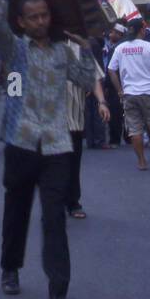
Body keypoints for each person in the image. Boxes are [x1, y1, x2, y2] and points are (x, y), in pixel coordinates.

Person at [0, 0, 102, 299]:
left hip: (56, 144)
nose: (41, 21)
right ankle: (10, 268)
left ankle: (57, 292)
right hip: (20, 143)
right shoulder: (15, 48)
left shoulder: (61, 51)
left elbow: (85, 82)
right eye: (33, 17)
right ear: (21, 21)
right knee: (17, 210)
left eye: (45, 15)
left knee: (54, 218)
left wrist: (85, 50)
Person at [107, 24, 150, 171]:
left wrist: (119, 90)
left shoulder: (120, 48)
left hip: (129, 94)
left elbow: (111, 70)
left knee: (135, 129)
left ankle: (141, 162)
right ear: (141, 30)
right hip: (149, 92)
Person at [64, 38, 108, 219]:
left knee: (72, 164)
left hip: (74, 118)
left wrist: (102, 101)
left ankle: (73, 202)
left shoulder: (80, 47)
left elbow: (94, 77)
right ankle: (52, 204)